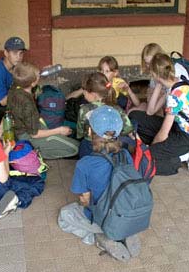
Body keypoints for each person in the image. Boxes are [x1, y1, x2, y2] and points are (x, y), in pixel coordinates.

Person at [58, 105, 140, 262]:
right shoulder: (125, 155)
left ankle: (99, 237)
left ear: (89, 132)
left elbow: (85, 199)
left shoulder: (85, 163)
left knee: (64, 215)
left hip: (102, 216)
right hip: (125, 211)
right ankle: (126, 232)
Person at [129, 53, 189, 175]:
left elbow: (163, 133)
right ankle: (168, 151)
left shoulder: (174, 96)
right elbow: (151, 111)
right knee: (135, 116)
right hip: (177, 128)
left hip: (185, 137)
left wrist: (151, 149)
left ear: (155, 75)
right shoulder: (178, 82)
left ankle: (182, 158)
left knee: (146, 160)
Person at [6, 62, 79, 159]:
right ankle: (32, 152)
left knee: (68, 141)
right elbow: (34, 134)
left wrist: (37, 74)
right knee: (75, 148)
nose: (39, 76)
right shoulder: (27, 103)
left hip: (24, 127)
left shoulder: (15, 87)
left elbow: (28, 80)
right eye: (37, 76)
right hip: (27, 136)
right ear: (32, 82)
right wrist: (59, 130)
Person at [76, 72, 133, 158]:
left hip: (91, 146)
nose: (83, 94)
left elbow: (80, 132)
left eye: (84, 92)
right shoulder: (117, 109)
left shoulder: (84, 110)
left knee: (83, 144)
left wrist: (80, 136)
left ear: (93, 94)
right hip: (114, 147)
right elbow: (128, 129)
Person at [129, 43, 189, 116]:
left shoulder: (174, 74)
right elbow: (150, 103)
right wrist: (158, 87)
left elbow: (153, 109)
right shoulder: (159, 78)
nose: (149, 66)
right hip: (163, 109)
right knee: (135, 110)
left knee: (137, 114)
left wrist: (158, 89)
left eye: (151, 63)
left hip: (175, 115)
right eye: (147, 63)